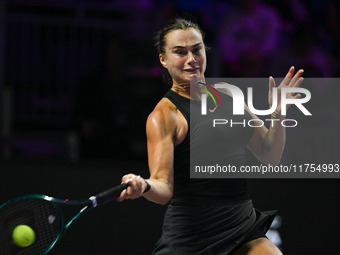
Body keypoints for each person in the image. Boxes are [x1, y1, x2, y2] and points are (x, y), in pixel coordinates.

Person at [118, 18, 304, 254]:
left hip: (241, 225)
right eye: (180, 52)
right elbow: (163, 187)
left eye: (196, 49)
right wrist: (144, 185)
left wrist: (278, 112)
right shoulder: (164, 115)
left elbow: (269, 154)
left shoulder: (229, 94)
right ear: (163, 59)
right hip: (191, 238)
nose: (191, 59)